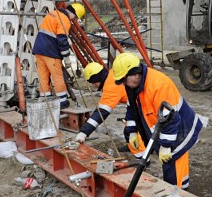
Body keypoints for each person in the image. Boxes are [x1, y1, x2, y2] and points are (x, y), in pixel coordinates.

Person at [79, 53, 204, 189]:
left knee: (172, 166)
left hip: (180, 129)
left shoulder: (158, 85)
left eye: (125, 80)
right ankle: (183, 191)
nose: (124, 85)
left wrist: (166, 146)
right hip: (167, 127)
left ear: (135, 74)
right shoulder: (133, 84)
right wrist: (132, 131)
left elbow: (171, 119)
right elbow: (132, 108)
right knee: (177, 167)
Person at [32, 3, 85, 109]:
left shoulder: (52, 14)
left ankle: (45, 99)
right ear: (73, 14)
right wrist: (66, 57)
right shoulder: (64, 20)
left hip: (39, 50)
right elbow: (62, 39)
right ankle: (62, 101)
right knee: (58, 77)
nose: (74, 20)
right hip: (51, 52)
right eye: (75, 17)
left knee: (43, 76)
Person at [75, 62, 127, 140]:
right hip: (135, 102)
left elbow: (101, 112)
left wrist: (84, 132)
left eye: (93, 82)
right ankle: (133, 145)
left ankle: (140, 150)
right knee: (131, 125)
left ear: (97, 78)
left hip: (140, 103)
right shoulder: (111, 74)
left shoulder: (111, 86)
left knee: (136, 126)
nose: (93, 85)